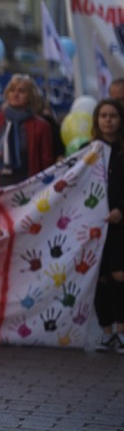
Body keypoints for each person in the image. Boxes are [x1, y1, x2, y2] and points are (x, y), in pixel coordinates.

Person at [0, 74, 54, 189]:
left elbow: (47, 165)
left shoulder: (41, 126)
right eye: (12, 90)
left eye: (21, 91)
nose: (15, 94)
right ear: (7, 94)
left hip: (28, 191)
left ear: (30, 96)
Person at [89, 99, 124, 353]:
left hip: (120, 224)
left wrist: (121, 210)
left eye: (113, 115)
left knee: (119, 276)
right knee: (100, 278)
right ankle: (106, 331)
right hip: (94, 225)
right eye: (103, 115)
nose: (108, 120)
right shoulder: (88, 151)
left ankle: (121, 331)